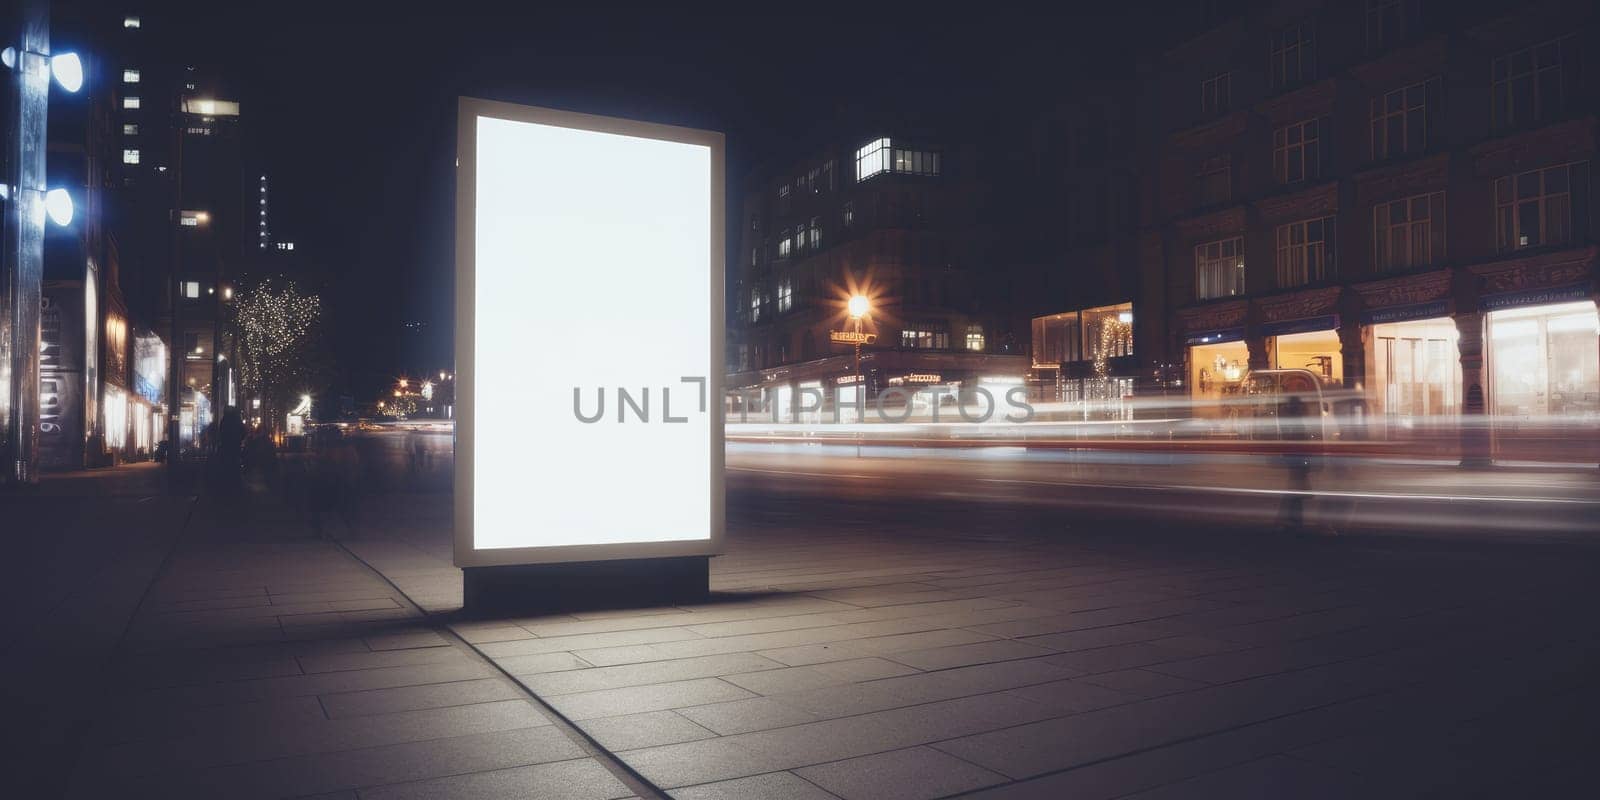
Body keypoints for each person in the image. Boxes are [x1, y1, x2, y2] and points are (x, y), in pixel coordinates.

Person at [1276, 393, 1314, 532]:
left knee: (1294, 489)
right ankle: (1293, 519)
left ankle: (1291, 519)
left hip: (1293, 458)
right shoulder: (1296, 422)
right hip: (1297, 458)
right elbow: (1301, 441)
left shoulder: (1288, 420)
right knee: (1295, 490)